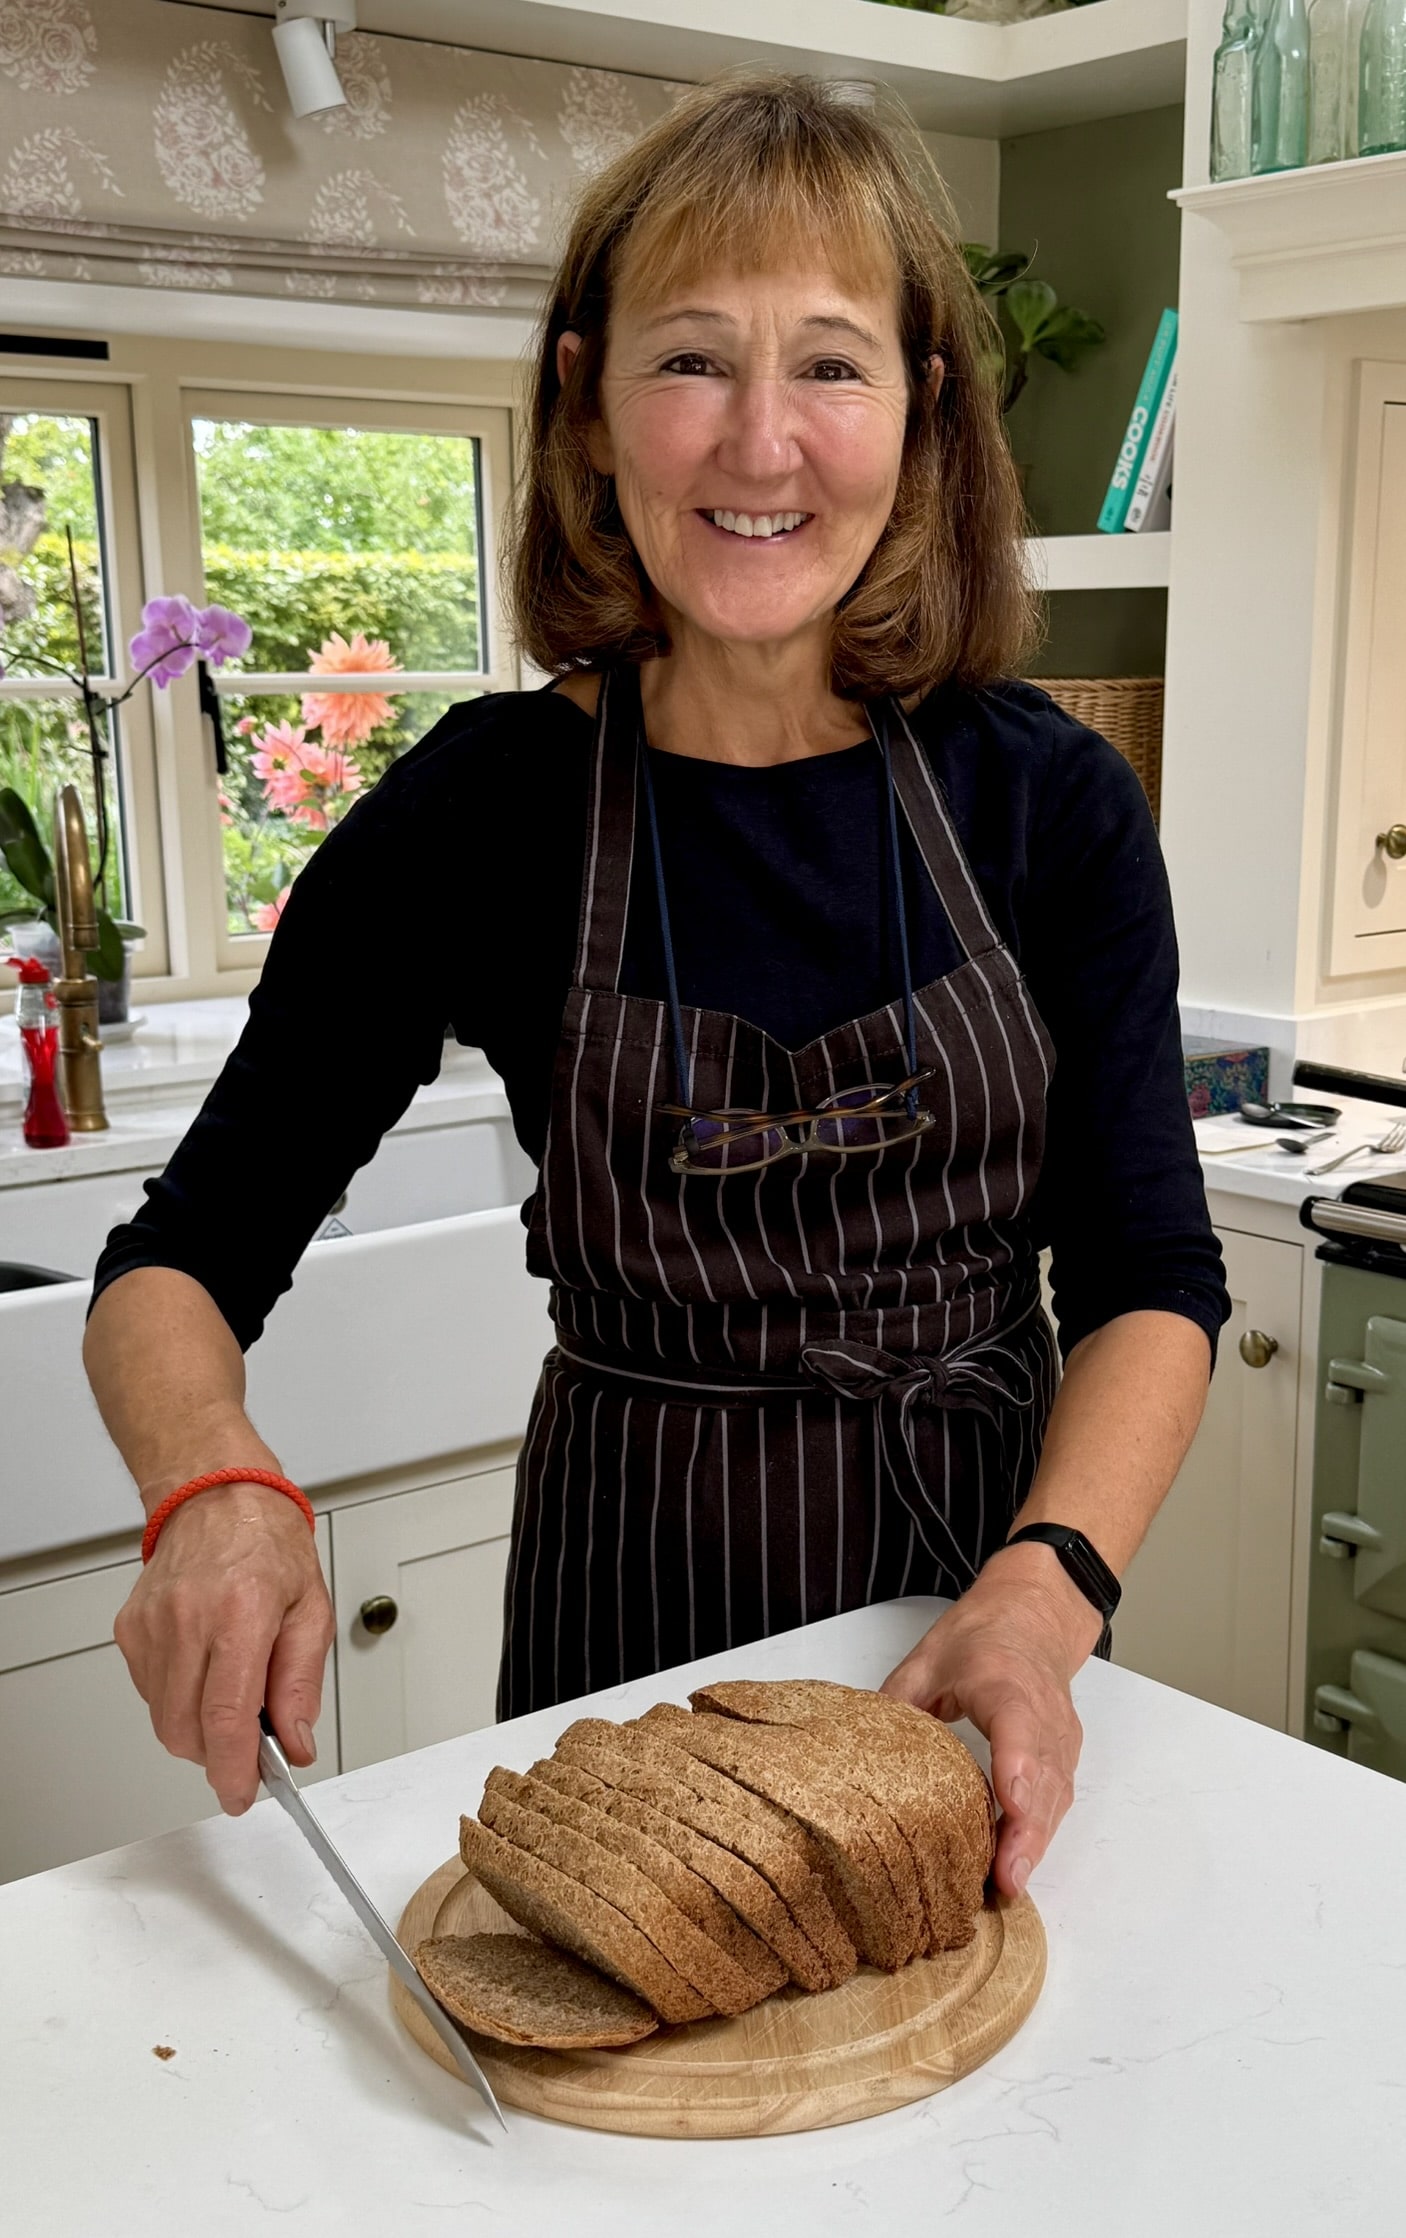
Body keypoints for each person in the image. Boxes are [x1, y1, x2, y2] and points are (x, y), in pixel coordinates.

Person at [84, 72, 1229, 1904]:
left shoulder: (1048, 801)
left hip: (986, 1607)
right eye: (692, 360)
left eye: (832, 367)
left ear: (923, 413)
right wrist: (209, 1482)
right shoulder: (479, 810)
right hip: (624, 1626)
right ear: (587, 402)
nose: (759, 444)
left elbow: (1149, 1277)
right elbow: (176, 1258)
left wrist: (1044, 1590)